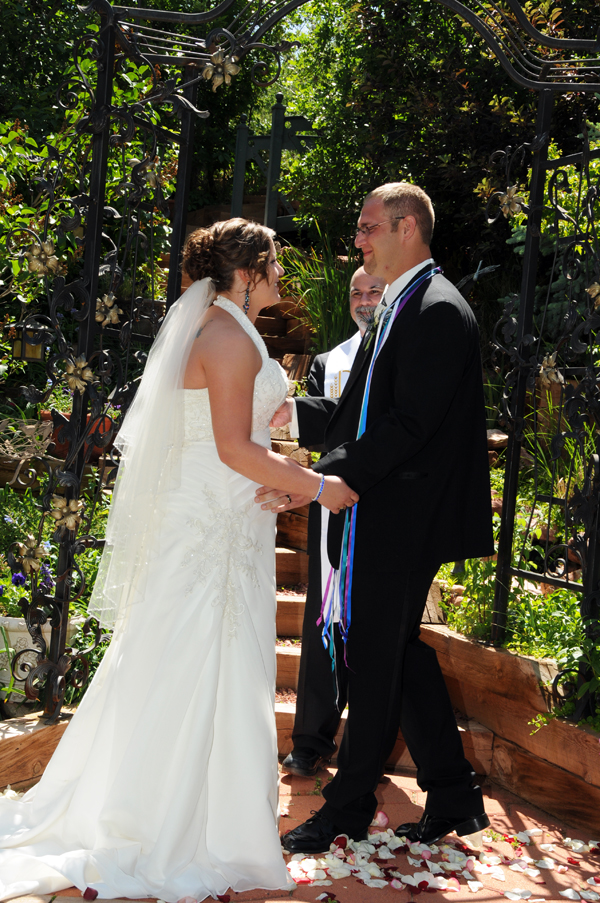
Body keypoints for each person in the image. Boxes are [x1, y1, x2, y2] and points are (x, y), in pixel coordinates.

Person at [0, 218, 358, 902]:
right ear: (247, 272)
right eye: (273, 263)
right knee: (192, 660)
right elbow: (231, 446)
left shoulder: (226, 330)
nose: (281, 275)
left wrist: (282, 467)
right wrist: (318, 487)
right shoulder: (228, 338)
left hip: (226, 516)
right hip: (210, 528)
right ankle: (175, 826)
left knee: (196, 660)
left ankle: (208, 820)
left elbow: (241, 434)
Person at [257, 183, 494, 852]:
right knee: (395, 650)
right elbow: (364, 410)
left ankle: (347, 807)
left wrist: (326, 481)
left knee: (373, 656)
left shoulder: (438, 309)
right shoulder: (400, 302)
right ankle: (452, 791)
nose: (358, 239)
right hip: (387, 509)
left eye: (368, 227)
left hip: (405, 516)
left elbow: (410, 424)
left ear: (407, 226)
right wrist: (295, 416)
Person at [282, 266, 385, 778]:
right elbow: (324, 436)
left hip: (385, 506)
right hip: (334, 505)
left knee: (376, 626)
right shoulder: (329, 362)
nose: (364, 301)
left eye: (374, 291)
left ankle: (367, 749)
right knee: (322, 617)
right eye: (355, 293)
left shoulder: (404, 353)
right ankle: (310, 739)